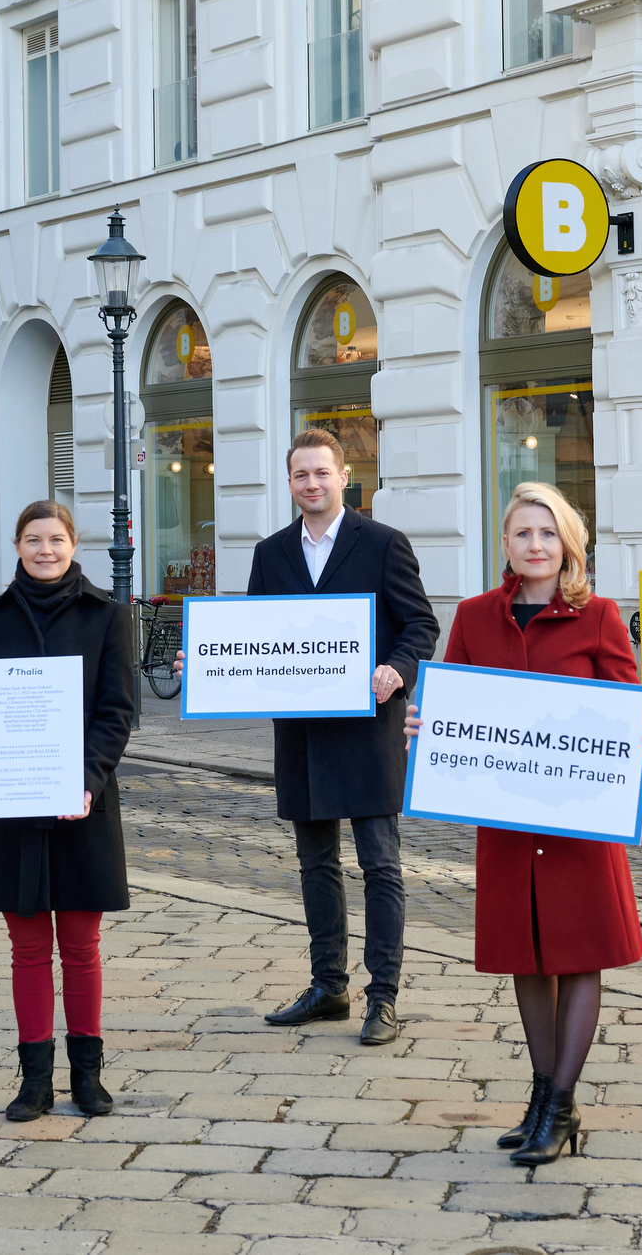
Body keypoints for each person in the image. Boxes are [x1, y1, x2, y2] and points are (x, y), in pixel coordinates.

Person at [405, 482, 642, 1164]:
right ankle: (545, 1094)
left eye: (549, 534)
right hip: (510, 827)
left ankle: (558, 1105)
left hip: (580, 824)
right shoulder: (473, 617)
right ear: (506, 545)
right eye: (524, 534)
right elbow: (452, 701)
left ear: (568, 545)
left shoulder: (601, 616)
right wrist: (425, 728)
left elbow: (621, 711)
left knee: (578, 957)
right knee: (528, 957)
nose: (537, 545)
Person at [179, 428, 439, 1045]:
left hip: (368, 730)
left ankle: (383, 996)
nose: (312, 484)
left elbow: (421, 624)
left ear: (343, 476)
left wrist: (396, 670)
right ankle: (329, 986)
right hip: (301, 737)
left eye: (322, 473)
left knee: (381, 865)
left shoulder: (382, 543)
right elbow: (254, 639)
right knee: (315, 863)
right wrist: (208, 671)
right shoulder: (271, 554)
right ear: (290, 481)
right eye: (301, 475)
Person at [0, 501, 134, 1120]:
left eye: (56, 539)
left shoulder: (108, 615)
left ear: (74, 543)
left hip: (84, 801)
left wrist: (86, 779)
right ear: (17, 545)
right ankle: (34, 1081)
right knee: (26, 945)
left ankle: (88, 1077)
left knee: (80, 943)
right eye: (33, 539)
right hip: (14, 802)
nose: (45, 550)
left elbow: (118, 713)